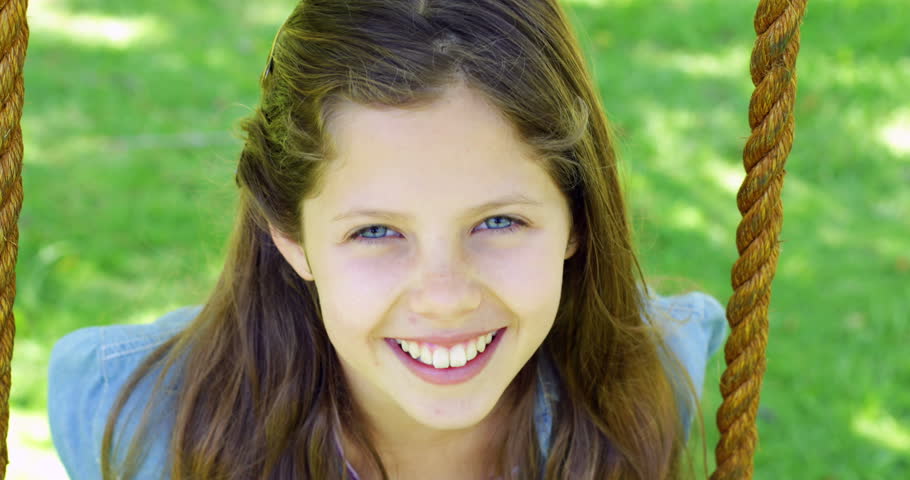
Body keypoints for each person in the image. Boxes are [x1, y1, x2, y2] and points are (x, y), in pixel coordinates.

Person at [47, 1, 728, 479]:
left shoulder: (646, 377)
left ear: (577, 219)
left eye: (498, 222)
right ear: (290, 234)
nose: (445, 298)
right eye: (376, 231)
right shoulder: (140, 423)